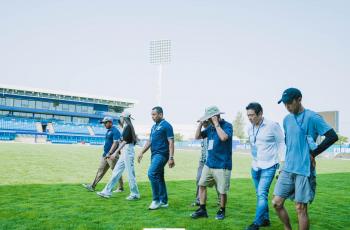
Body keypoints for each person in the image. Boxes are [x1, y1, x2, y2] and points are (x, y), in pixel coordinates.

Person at [272, 88, 338, 230]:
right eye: (284, 104)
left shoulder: (313, 117)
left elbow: (333, 136)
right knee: (276, 203)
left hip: (304, 169)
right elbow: (290, 145)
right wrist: (282, 167)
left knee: (300, 208)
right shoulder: (286, 119)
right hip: (288, 168)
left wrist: (314, 153)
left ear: (299, 99)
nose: (287, 107)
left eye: (289, 103)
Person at [245, 102, 286, 230]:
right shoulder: (249, 127)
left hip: (269, 165)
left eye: (252, 115)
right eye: (248, 116)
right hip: (255, 166)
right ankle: (265, 220)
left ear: (260, 113)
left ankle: (256, 223)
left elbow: (281, 143)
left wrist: (282, 164)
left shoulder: (272, 125)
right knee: (259, 194)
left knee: (262, 194)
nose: (250, 118)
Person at [191, 106, 233, 220]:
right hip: (209, 164)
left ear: (217, 116)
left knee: (222, 190)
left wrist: (216, 124)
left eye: (210, 118)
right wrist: (200, 123)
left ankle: (221, 210)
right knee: (201, 184)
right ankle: (202, 210)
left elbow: (224, 137)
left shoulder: (227, 126)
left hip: (223, 165)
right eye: (208, 119)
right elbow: (197, 136)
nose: (208, 121)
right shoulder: (209, 128)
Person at [96, 111, 140, 200]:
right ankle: (106, 191)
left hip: (128, 152)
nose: (120, 119)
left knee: (130, 174)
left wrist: (115, 152)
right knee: (116, 171)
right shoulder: (127, 127)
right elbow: (129, 140)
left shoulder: (128, 127)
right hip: (125, 152)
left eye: (121, 117)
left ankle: (135, 194)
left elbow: (125, 142)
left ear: (124, 118)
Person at [137, 106, 175, 210]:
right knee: (159, 177)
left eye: (154, 115)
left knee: (151, 173)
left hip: (162, 154)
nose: (152, 117)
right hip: (154, 155)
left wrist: (171, 157)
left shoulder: (167, 126)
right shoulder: (153, 127)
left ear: (161, 115)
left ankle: (156, 200)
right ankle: (164, 201)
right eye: (151, 115)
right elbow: (150, 141)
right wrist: (142, 152)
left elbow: (171, 142)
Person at [82, 116, 123, 192]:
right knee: (100, 170)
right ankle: (92, 186)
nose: (104, 124)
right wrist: (106, 153)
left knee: (116, 171)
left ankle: (120, 188)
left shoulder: (115, 131)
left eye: (105, 123)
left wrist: (110, 153)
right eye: (104, 123)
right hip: (105, 155)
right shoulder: (108, 131)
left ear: (110, 122)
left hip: (112, 155)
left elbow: (115, 143)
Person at [192, 121, 220, 207]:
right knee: (199, 179)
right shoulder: (203, 132)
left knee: (217, 181)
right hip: (203, 161)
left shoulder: (213, 131)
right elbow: (197, 136)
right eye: (202, 122)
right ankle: (199, 200)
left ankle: (220, 200)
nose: (203, 123)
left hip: (213, 161)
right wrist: (200, 124)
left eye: (205, 122)